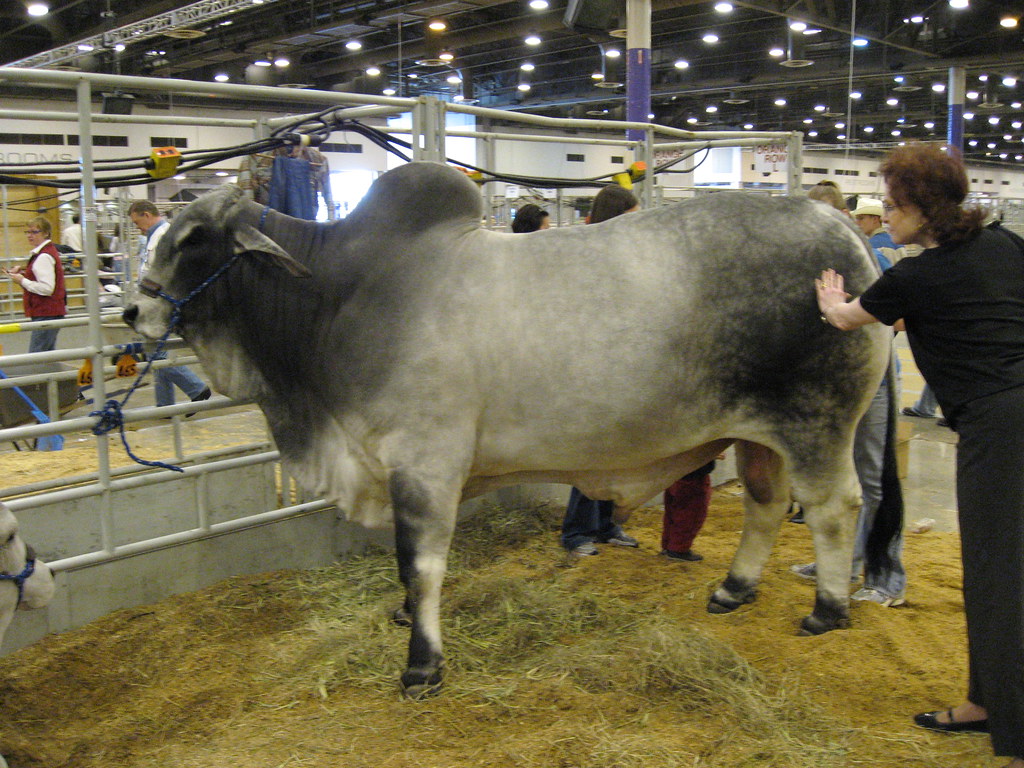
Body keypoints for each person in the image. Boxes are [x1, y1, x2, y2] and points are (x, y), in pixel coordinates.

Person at [815, 143, 1023, 768]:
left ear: (921, 209)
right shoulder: (1005, 245)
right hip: (1006, 415)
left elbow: (845, 318)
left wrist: (830, 298)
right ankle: (985, 702)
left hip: (999, 427)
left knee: (1002, 577)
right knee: (994, 570)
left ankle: (1016, 736)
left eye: (892, 204)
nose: (884, 213)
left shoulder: (915, 276)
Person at [792, 182, 907, 606]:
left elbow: (895, 318)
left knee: (875, 477)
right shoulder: (804, 261)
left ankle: (887, 577)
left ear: (843, 216)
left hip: (871, 378)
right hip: (832, 382)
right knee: (842, 476)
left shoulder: (869, 258)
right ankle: (846, 562)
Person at [560, 184, 641, 556]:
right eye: (631, 218)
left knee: (615, 451)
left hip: (620, 362)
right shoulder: (586, 255)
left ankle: (606, 526)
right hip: (591, 364)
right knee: (591, 454)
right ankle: (576, 532)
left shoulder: (626, 257)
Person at [127, 201, 211, 410]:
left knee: (155, 352)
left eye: (137, 222)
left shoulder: (165, 236)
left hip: (160, 302)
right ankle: (164, 405)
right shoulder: (155, 236)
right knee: (157, 352)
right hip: (153, 300)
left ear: (147, 215)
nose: (138, 228)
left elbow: (167, 272)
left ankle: (196, 388)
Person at [3, 217, 66, 353]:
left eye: (34, 232)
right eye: (28, 232)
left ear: (46, 233)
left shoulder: (43, 256)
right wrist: (23, 274)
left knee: (37, 355)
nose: (29, 235)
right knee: (47, 354)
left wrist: (22, 280)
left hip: (46, 311)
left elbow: (47, 289)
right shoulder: (45, 253)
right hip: (48, 311)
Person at [661, 460, 715, 561]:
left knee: (672, 512)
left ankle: (668, 545)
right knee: (691, 513)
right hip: (693, 474)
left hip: (674, 473)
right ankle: (678, 549)